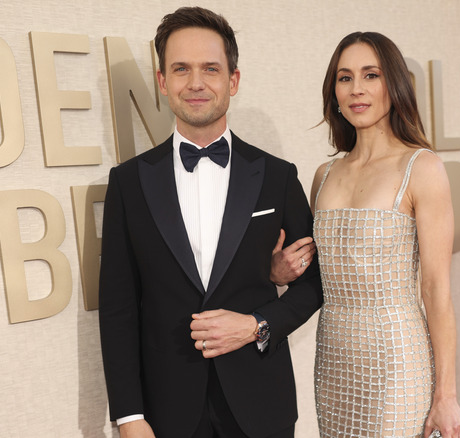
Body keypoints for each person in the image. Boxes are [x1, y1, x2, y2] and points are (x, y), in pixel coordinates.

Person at [98, 7, 322, 438]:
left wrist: (256, 324)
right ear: (163, 81)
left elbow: (315, 285)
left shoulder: (277, 176)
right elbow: (118, 308)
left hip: (261, 406)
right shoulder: (128, 182)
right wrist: (129, 416)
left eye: (210, 69)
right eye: (181, 69)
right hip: (165, 413)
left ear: (232, 80)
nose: (196, 83)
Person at [311, 31, 460, 438]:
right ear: (334, 92)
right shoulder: (324, 175)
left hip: (396, 359)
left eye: (371, 75)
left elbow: (436, 289)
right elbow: (318, 274)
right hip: (334, 362)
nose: (357, 89)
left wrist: (446, 394)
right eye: (344, 78)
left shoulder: (422, 167)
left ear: (393, 84)